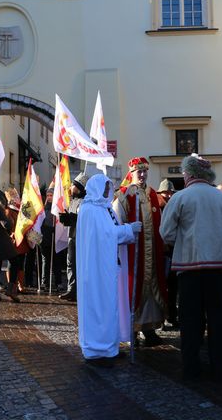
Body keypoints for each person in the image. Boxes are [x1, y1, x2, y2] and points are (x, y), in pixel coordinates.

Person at [160, 154, 222, 380]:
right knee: (218, 318)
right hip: (218, 269)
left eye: (184, 172)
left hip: (189, 268)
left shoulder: (180, 197)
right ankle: (220, 365)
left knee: (190, 319)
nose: (183, 176)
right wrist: (216, 238)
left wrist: (185, 240)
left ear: (191, 173)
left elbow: (166, 232)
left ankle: (191, 366)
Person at [76, 173, 139, 367]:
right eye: (104, 187)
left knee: (109, 306)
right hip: (94, 270)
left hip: (106, 267)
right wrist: (129, 229)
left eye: (108, 187)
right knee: (97, 307)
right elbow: (107, 235)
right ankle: (96, 350)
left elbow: (111, 233)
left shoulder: (103, 209)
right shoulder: (89, 210)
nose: (107, 191)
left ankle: (110, 347)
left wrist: (127, 231)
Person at [113, 157, 167, 346]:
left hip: (152, 252)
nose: (143, 175)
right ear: (132, 173)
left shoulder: (153, 194)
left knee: (152, 289)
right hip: (133, 252)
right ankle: (131, 330)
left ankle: (148, 328)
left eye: (145, 171)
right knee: (133, 289)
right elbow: (117, 224)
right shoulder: (123, 195)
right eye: (139, 172)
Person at [58, 173, 88, 301]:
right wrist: (65, 219)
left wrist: (71, 218)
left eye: (73, 185)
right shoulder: (73, 200)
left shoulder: (85, 202)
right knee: (70, 264)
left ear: (79, 188)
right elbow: (72, 219)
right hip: (72, 236)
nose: (70, 187)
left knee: (79, 265)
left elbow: (84, 220)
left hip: (80, 238)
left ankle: (80, 290)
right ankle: (72, 289)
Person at [157, 179, 178, 327]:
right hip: (162, 253)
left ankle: (171, 316)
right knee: (161, 286)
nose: (168, 195)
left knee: (173, 288)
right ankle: (162, 317)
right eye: (166, 192)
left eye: (170, 192)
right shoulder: (157, 207)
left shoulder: (174, 206)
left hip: (173, 252)